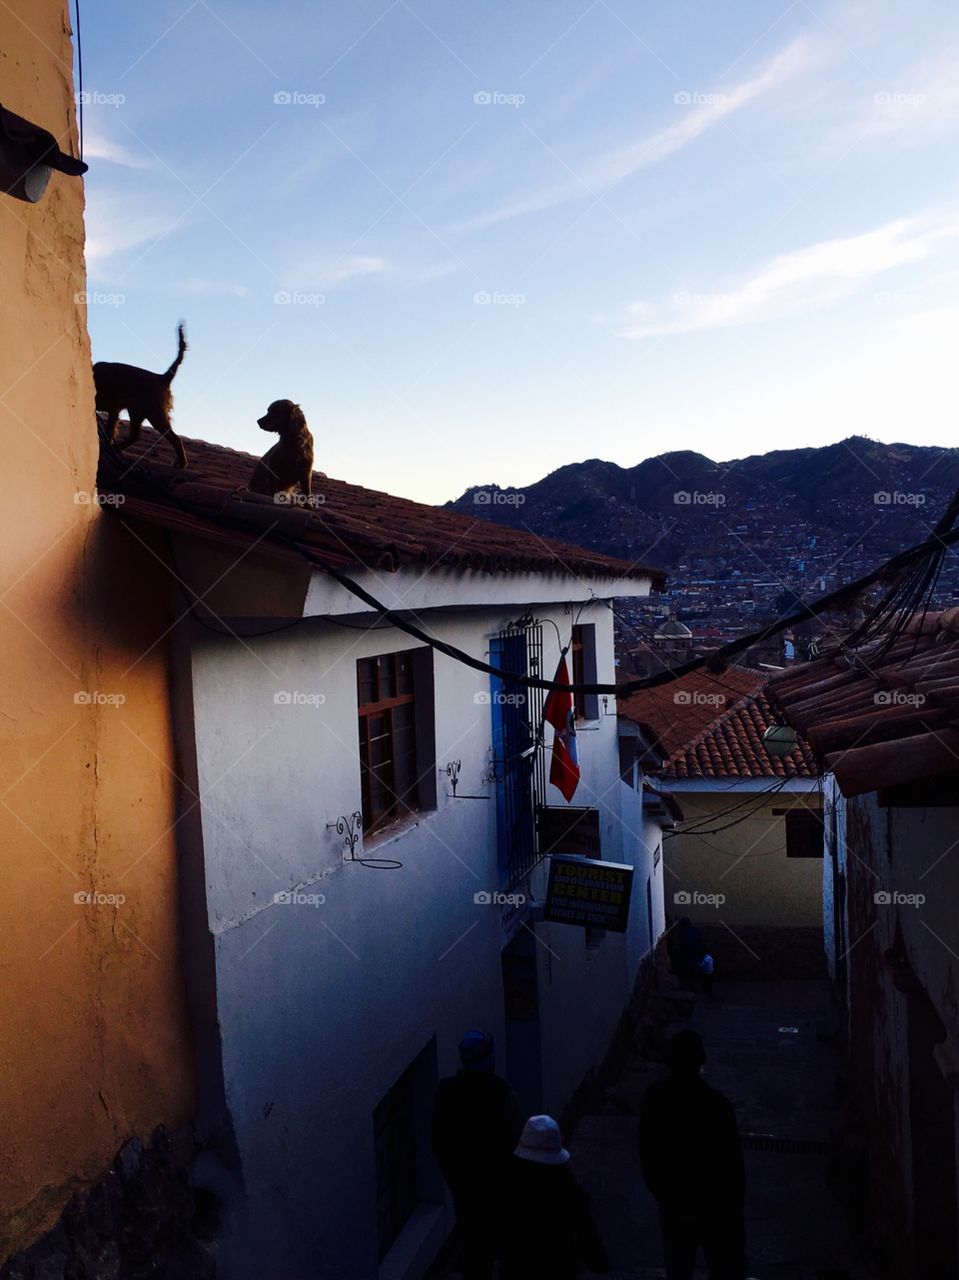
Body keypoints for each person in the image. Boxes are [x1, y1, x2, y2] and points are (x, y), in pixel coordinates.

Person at [638, 1029, 746, 1280]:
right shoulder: (718, 1106)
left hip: (675, 1204)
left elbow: (647, 1154)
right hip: (713, 1207)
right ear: (701, 1060)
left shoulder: (655, 1099)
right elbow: (733, 1168)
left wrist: (663, 1193)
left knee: (679, 1268)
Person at [431, 1030, 523, 1280]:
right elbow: (518, 1145)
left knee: (474, 1251)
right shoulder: (504, 1095)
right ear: (491, 1059)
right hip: (499, 1189)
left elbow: (438, 1142)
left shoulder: (445, 1091)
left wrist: (455, 1180)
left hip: (464, 1189)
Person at [501, 1115, 610, 1279]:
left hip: (517, 1265)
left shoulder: (510, 1183)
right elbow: (584, 1228)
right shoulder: (567, 1187)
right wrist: (598, 1261)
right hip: (559, 1265)